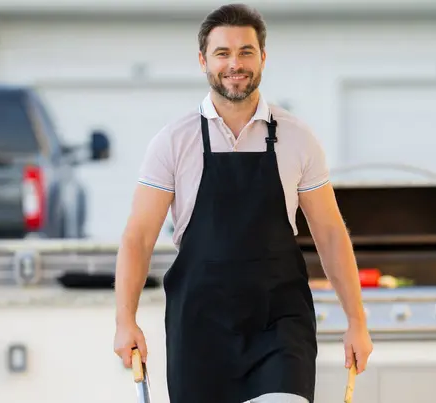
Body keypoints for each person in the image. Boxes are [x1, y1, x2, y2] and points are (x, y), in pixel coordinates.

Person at [113, 3, 373, 403]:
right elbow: (138, 237)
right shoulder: (173, 141)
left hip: (279, 327)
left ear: (263, 57)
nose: (235, 63)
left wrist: (357, 321)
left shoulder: (298, 138)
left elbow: (330, 233)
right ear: (203, 61)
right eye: (223, 53)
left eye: (246, 52)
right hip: (199, 332)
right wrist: (124, 320)